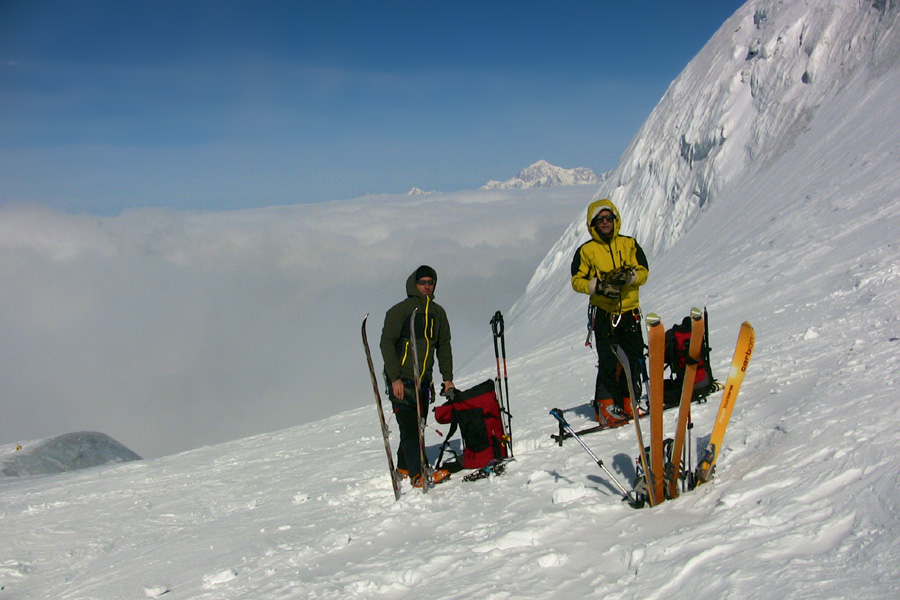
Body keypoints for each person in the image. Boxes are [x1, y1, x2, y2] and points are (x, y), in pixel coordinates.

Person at [571, 198, 649, 425]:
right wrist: (599, 287)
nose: (605, 222)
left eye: (608, 218)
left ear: (615, 220)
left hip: (630, 311)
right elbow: (577, 280)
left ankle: (628, 402)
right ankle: (605, 408)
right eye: (600, 219)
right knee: (608, 361)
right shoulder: (586, 251)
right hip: (605, 315)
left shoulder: (629, 244)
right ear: (593, 223)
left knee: (633, 359)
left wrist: (630, 277)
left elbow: (644, 271)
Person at [380, 265, 454, 486]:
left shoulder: (438, 313)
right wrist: (394, 378)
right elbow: (387, 343)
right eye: (422, 282)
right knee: (411, 428)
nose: (427, 286)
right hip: (402, 379)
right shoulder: (400, 311)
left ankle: (403, 465)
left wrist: (447, 377)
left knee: (417, 425)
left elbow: (443, 346)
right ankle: (418, 474)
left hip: (423, 381)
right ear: (414, 284)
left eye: (430, 282)